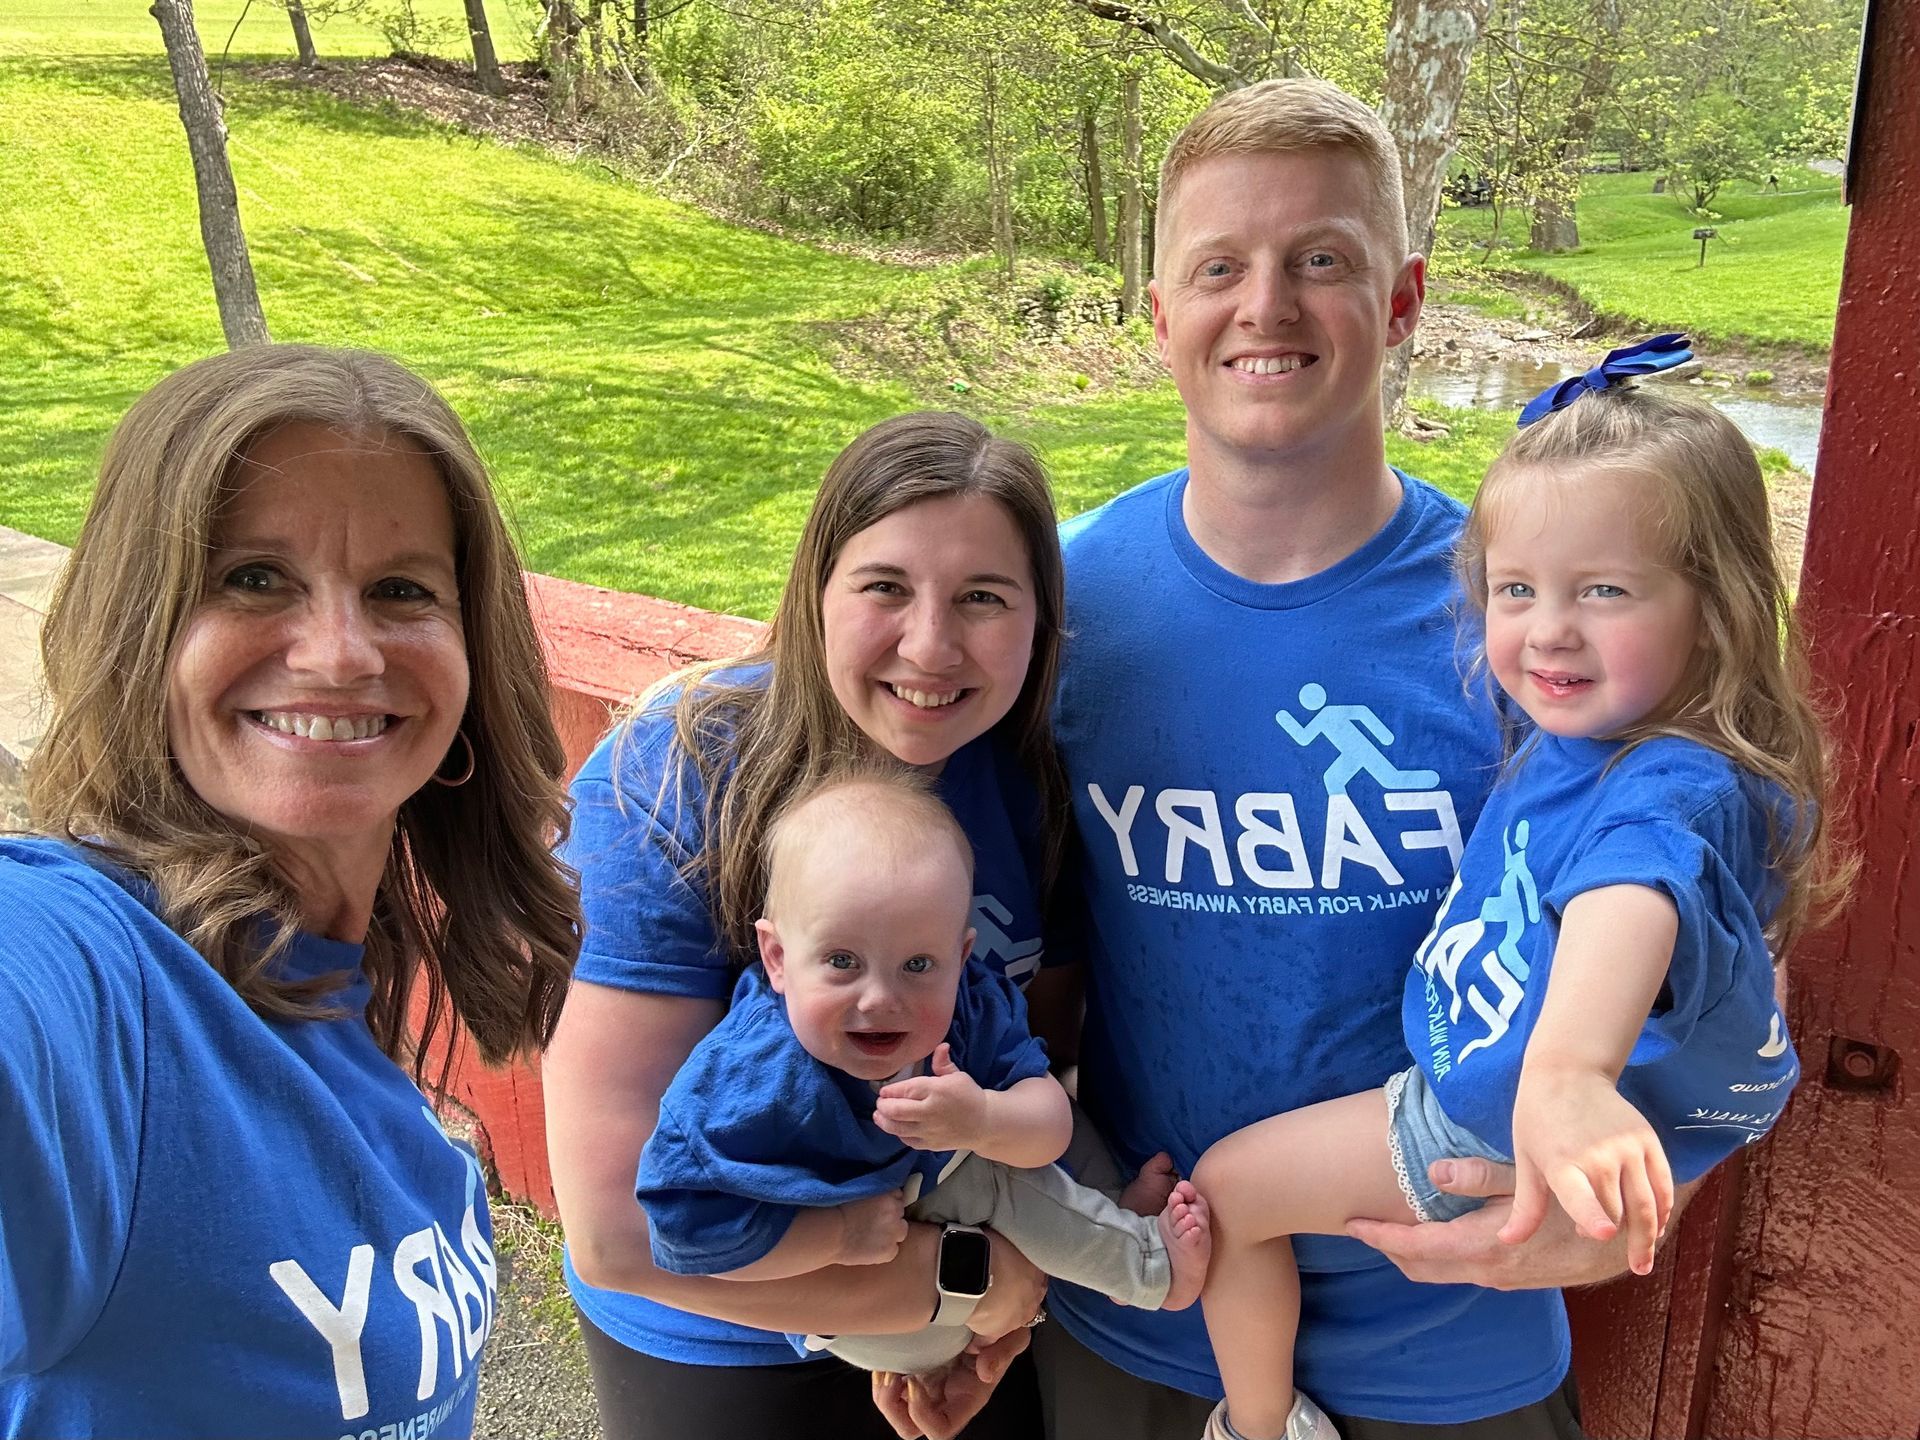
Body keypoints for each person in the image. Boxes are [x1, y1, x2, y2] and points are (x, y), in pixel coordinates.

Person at [1034, 76, 1659, 1438]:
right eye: (1219, 267)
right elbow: (992, 940)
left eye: (1321, 259)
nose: (1266, 306)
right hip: (1147, 1311)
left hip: (1456, 1332)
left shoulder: (1528, 617)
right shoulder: (1068, 609)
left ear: (1403, 299)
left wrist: (1619, 1213)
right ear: (1159, 316)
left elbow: (1689, 916)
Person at [1192, 345, 1848, 1440]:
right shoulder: (1593, 731)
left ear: (1718, 609)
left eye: (1604, 590)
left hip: (1477, 1124)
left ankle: (1258, 1426)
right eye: (1517, 589)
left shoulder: (1671, 787)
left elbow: (1628, 893)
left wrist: (1568, 1075)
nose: (1549, 628)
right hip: (1504, 1096)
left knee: (1224, 1196)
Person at [0, 345, 580, 1438]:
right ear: (142, 630)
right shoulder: (91, 971)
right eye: (251, 578)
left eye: (402, 589)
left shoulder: (325, 982)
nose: (339, 653)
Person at [542, 412, 1075, 1440]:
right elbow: (617, 1229)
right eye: (885, 586)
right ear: (815, 591)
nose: (930, 644)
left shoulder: (1021, 781)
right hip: (723, 1336)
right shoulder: (677, 773)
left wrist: (990, 1308)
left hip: (959, 1310)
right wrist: (965, 1285)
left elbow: (1045, 1060)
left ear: (1038, 620)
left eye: (983, 597)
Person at [634, 767, 1210, 1379]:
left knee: (1035, 1119)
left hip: (942, 1228)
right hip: (881, 1311)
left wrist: (982, 1119)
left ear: (961, 958)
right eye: (841, 961)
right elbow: (682, 1236)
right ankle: (1149, 1271)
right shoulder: (748, 1077)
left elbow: (1050, 1125)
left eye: (917, 964)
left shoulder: (971, 1005)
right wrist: (837, 1237)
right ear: (777, 959)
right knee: (997, 1172)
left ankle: (1110, 1220)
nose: (881, 998)